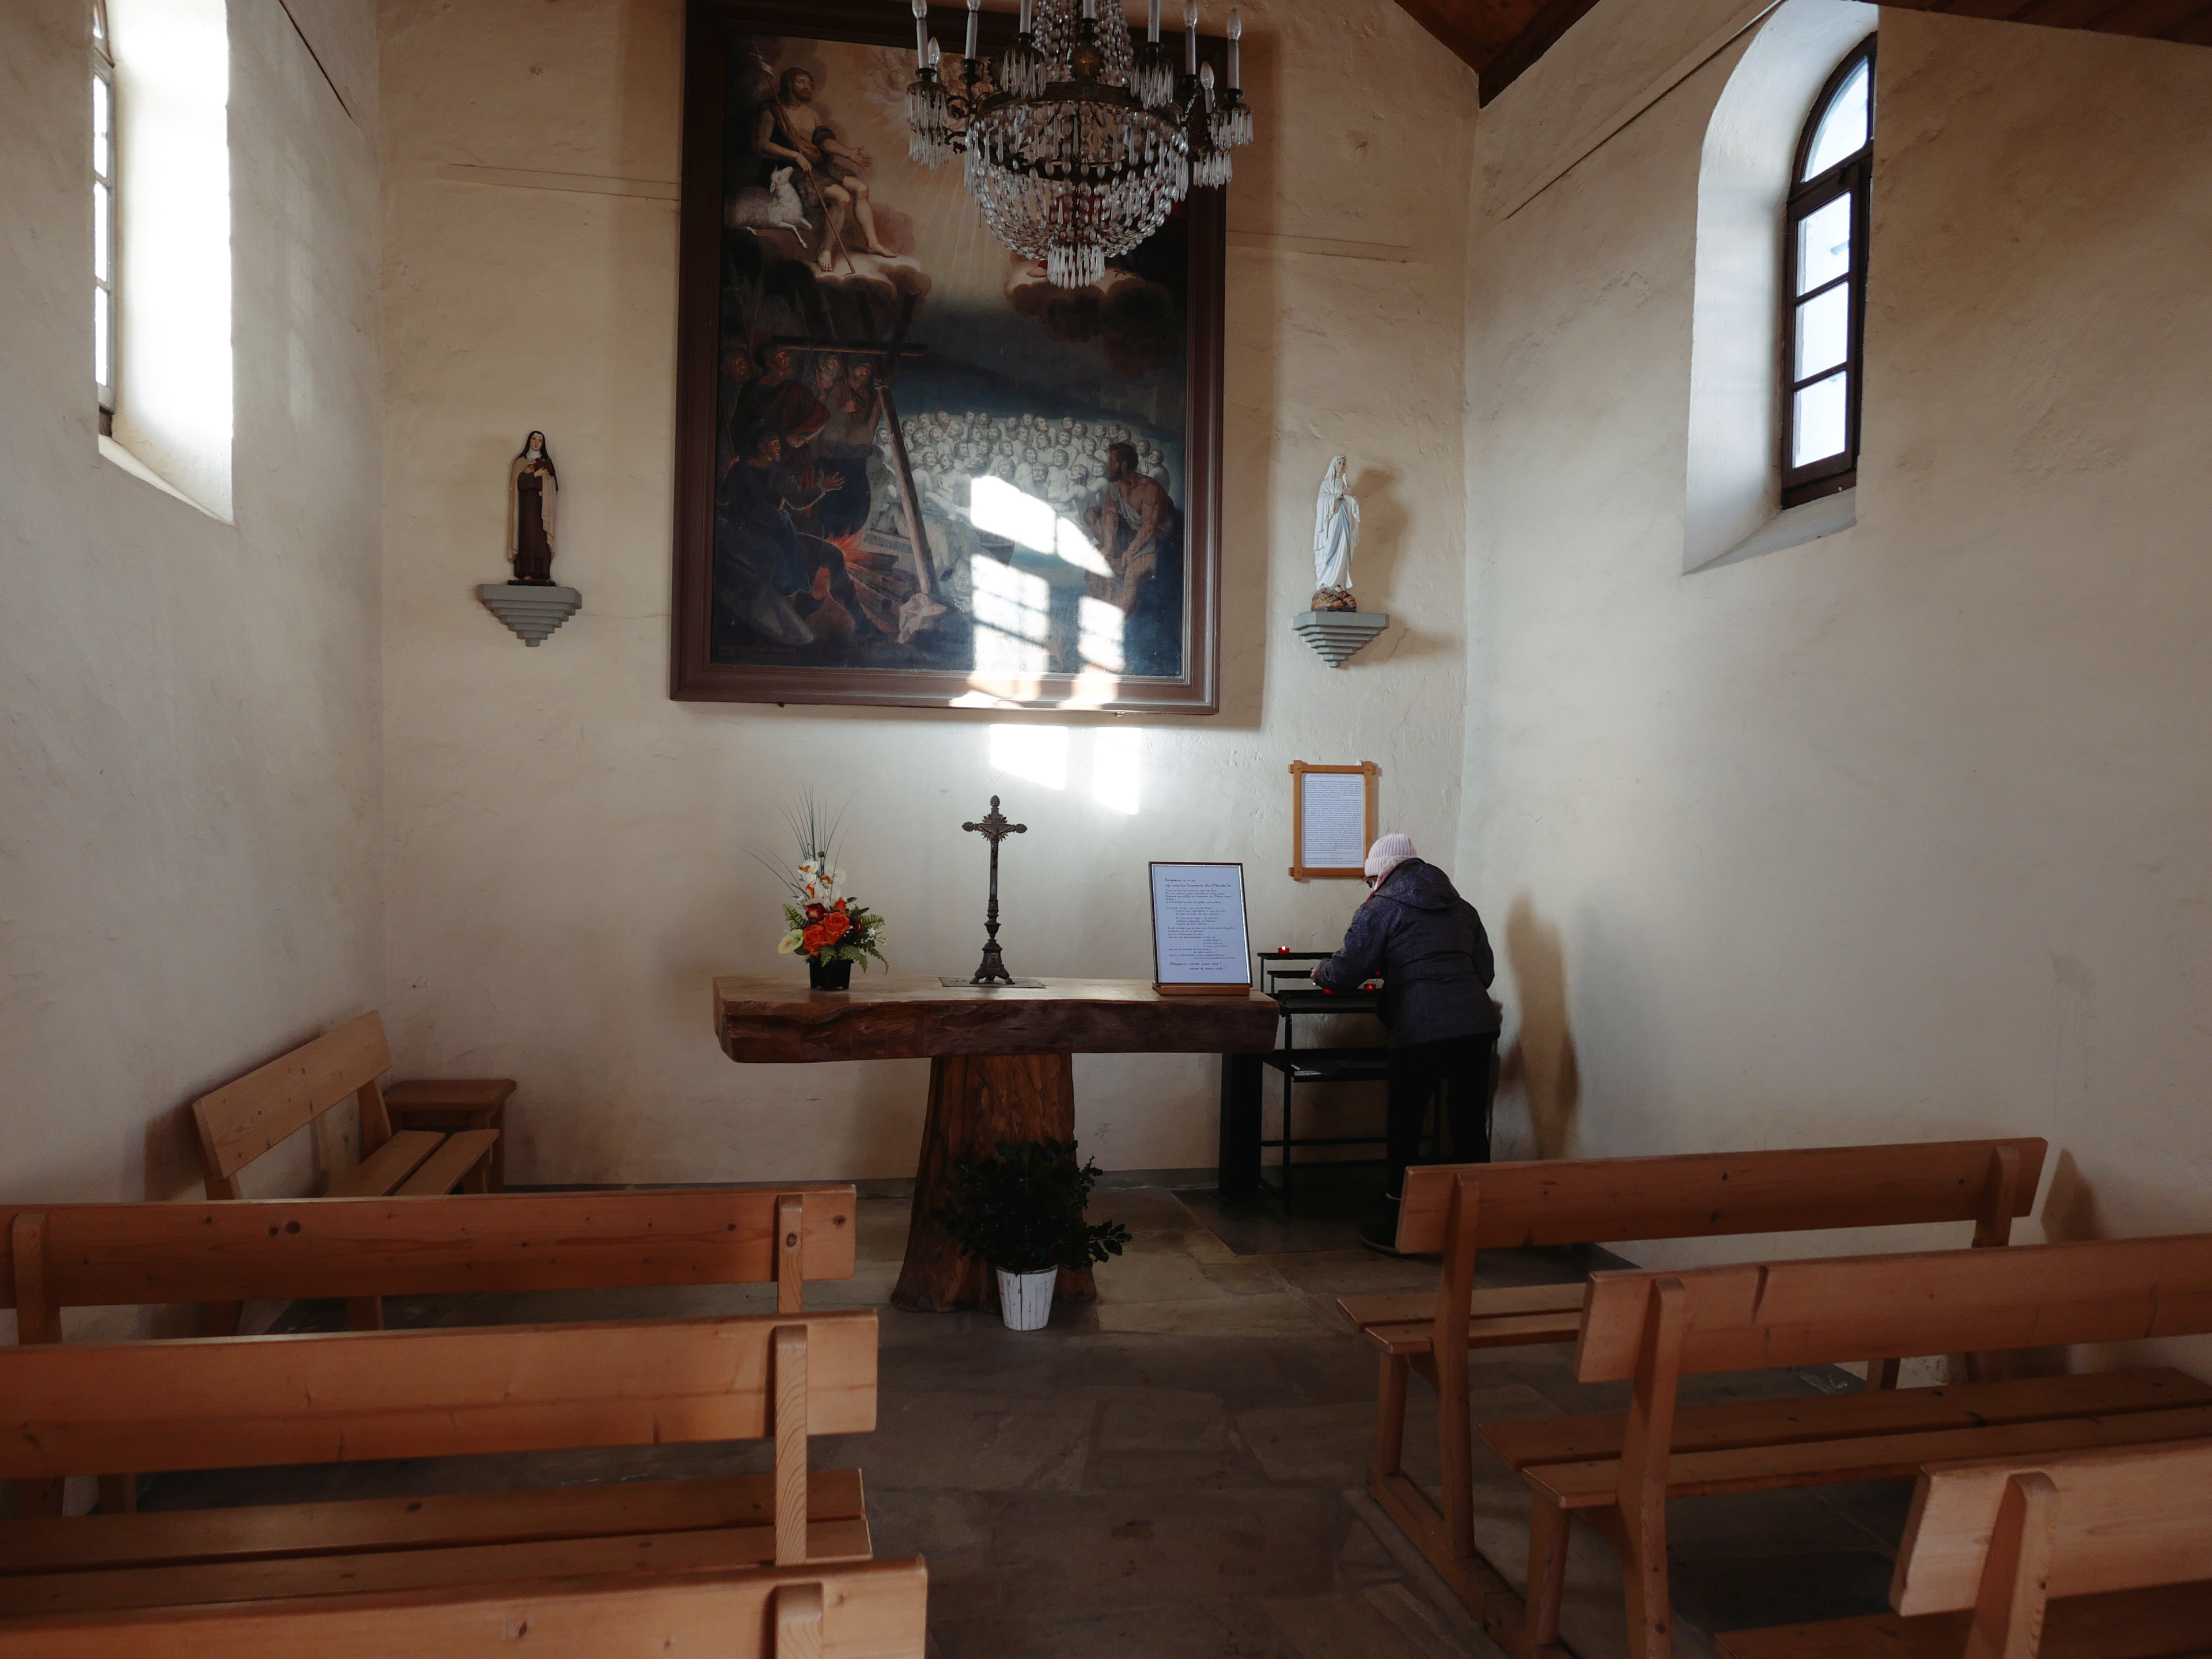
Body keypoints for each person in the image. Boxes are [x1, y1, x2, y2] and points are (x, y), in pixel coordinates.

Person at [1310, 833, 1501, 1253]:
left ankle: (1399, 1227)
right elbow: (1484, 972)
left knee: (1405, 1127)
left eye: (1369, 880)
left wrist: (1321, 972)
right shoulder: (1462, 907)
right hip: (1475, 1024)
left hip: (1421, 1028)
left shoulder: (1382, 907)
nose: (1369, 887)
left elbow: (1347, 972)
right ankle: (1478, 1226)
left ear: (1381, 874)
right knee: (1468, 1125)